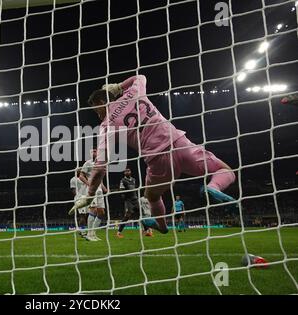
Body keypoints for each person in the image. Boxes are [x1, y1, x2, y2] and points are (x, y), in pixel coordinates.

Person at [70, 75, 236, 234]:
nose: (97, 114)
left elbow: (100, 168)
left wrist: (89, 195)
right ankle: (212, 186)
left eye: (95, 109)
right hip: (180, 144)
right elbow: (140, 77)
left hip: (158, 160)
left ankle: (162, 225)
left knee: (152, 196)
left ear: (101, 102)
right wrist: (119, 87)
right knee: (224, 169)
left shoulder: (106, 126)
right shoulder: (134, 93)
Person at [70, 149, 108, 242]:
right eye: (93, 151)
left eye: (96, 151)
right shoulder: (88, 163)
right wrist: (89, 184)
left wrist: (104, 188)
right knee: (93, 210)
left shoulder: (101, 164)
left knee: (101, 212)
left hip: (99, 190)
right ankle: (89, 234)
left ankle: (93, 234)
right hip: (92, 190)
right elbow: (81, 176)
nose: (95, 152)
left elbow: (100, 179)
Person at [116, 168, 138, 238]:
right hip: (128, 200)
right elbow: (121, 190)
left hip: (135, 199)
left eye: (129, 171)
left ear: (130, 172)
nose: (127, 172)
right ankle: (119, 232)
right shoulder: (123, 180)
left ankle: (146, 230)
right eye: (126, 171)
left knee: (141, 213)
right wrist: (124, 196)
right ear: (124, 173)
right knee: (127, 215)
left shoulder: (134, 180)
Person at [69, 169, 88, 237]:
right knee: (82, 215)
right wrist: (78, 197)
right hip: (79, 198)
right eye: (78, 170)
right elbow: (73, 190)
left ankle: (81, 230)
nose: (79, 171)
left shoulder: (84, 178)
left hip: (86, 197)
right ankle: (83, 232)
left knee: (85, 215)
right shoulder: (73, 179)